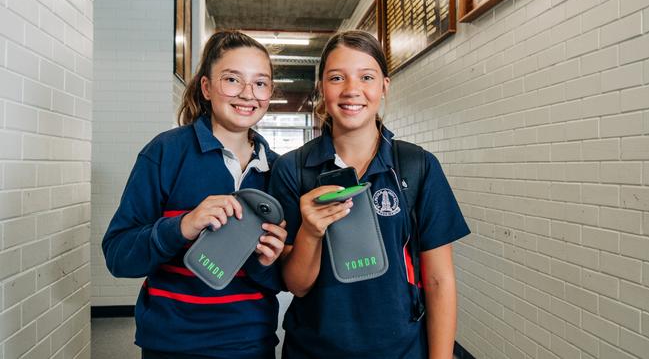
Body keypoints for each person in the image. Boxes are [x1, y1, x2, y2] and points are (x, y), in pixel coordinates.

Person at [268, 30, 470, 358]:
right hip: (314, 349)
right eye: (337, 78)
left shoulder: (417, 167)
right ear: (321, 88)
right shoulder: (294, 169)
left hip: (401, 349)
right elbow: (297, 285)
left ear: (384, 86)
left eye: (366, 77)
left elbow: (439, 280)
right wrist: (310, 230)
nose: (352, 91)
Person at [102, 31, 287, 359]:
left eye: (260, 83)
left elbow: (280, 280)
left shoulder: (278, 171)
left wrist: (268, 261)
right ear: (206, 87)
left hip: (251, 345)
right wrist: (183, 226)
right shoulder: (165, 153)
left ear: (270, 92)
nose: (248, 94)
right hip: (172, 346)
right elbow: (118, 255)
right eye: (232, 79)